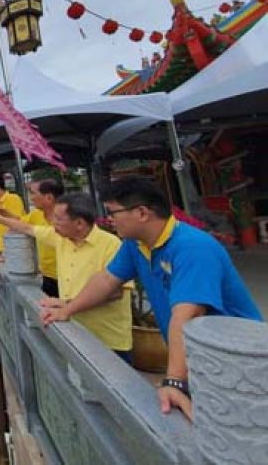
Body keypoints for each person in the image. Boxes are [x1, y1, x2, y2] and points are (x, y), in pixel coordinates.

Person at [41, 176, 264, 421]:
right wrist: (68, 308)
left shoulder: (192, 248)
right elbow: (106, 280)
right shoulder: (135, 245)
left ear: (142, 213)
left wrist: (175, 382)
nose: (108, 220)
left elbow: (187, 314)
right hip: (199, 361)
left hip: (238, 364)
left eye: (113, 212)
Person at [0, 193, 133, 362]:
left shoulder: (111, 245)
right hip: (74, 331)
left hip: (107, 340)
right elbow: (27, 228)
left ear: (79, 223)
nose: (53, 223)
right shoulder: (61, 238)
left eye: (58, 219)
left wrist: (68, 304)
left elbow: (115, 293)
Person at [24, 178, 64, 297]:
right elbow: (20, 225)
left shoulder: (67, 218)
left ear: (49, 197)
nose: (31, 198)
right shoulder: (35, 214)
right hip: (46, 275)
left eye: (34, 193)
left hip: (66, 277)